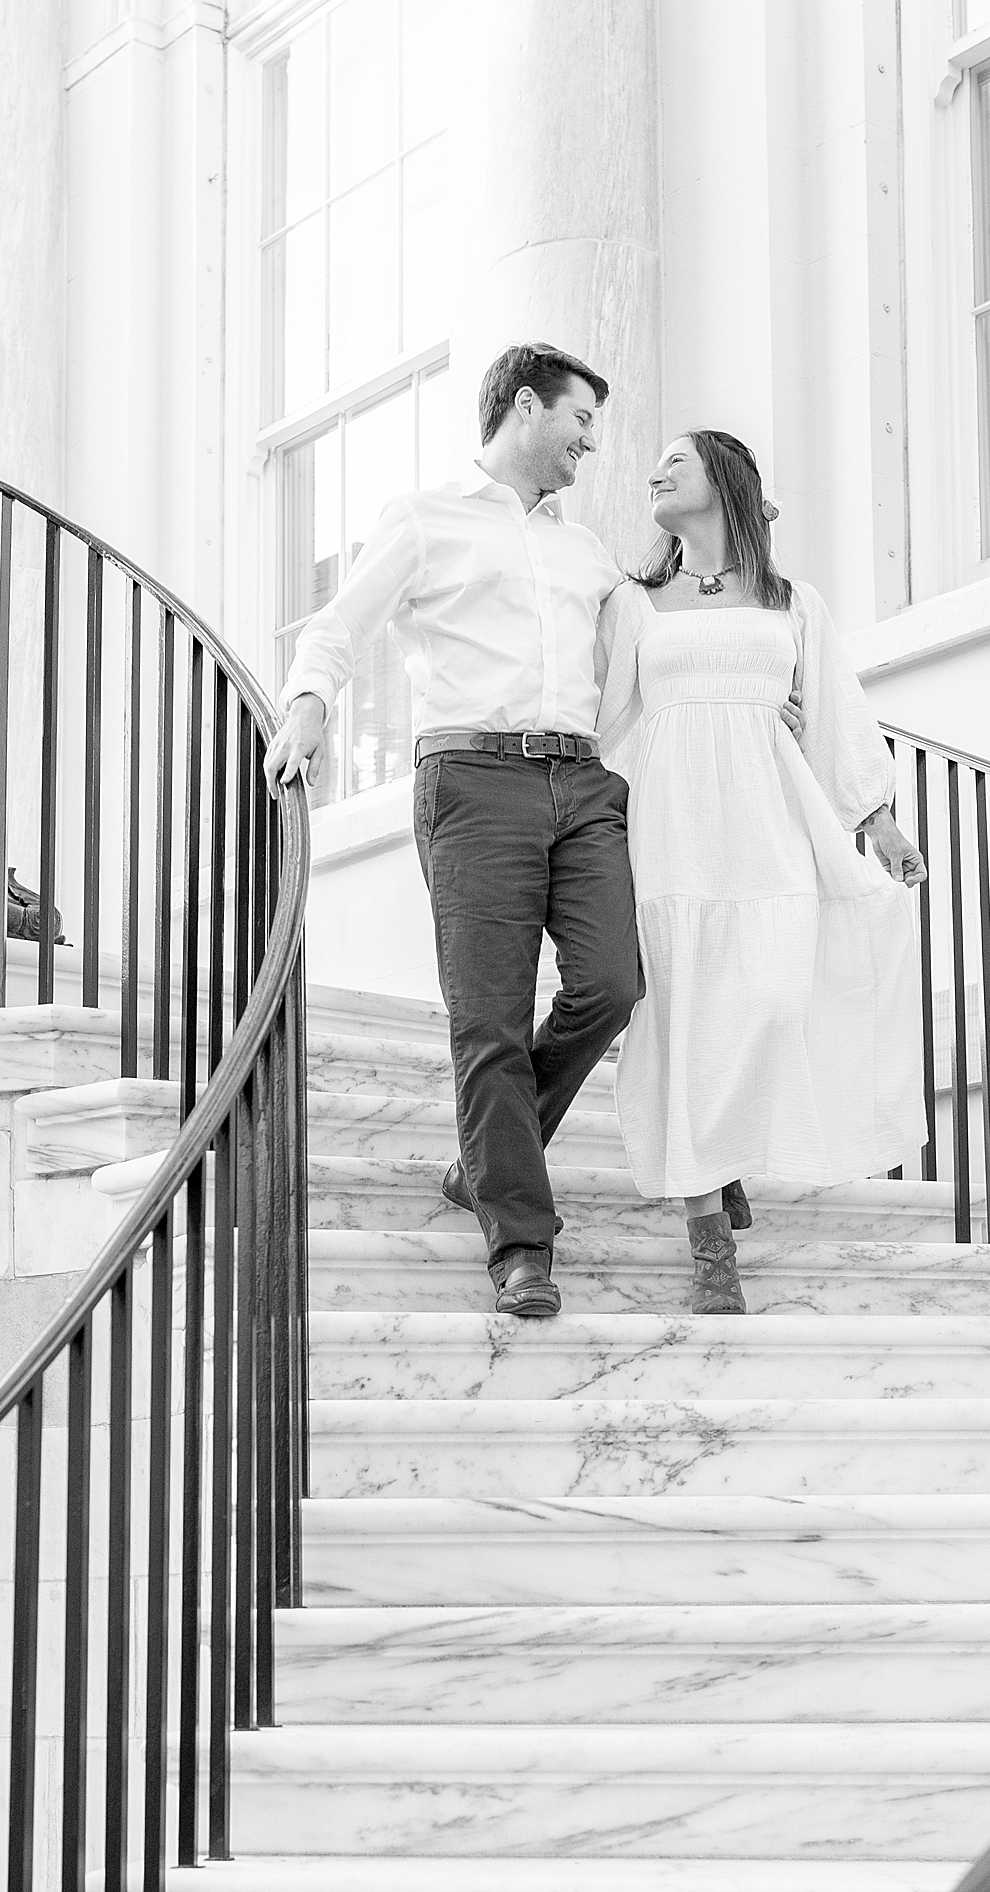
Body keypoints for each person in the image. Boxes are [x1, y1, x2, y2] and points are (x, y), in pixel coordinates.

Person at [264, 342, 640, 1319]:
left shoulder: (584, 548)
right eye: (579, 421)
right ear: (525, 405)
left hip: (583, 778)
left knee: (611, 984)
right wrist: (307, 706)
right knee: (491, 1019)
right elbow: (338, 625)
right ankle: (521, 1242)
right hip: (473, 782)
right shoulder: (425, 520)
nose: (590, 444)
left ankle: (486, 1160)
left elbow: (647, 640)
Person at [596, 428, 927, 1314]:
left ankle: (725, 1151)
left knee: (775, 1000)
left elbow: (837, 710)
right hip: (675, 832)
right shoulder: (634, 603)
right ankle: (707, 1232)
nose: (655, 471)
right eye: (653, 461)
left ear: (726, 481)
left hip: (770, 821)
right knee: (686, 1015)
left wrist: (877, 818)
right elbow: (602, 719)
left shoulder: (792, 602)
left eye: (677, 459)